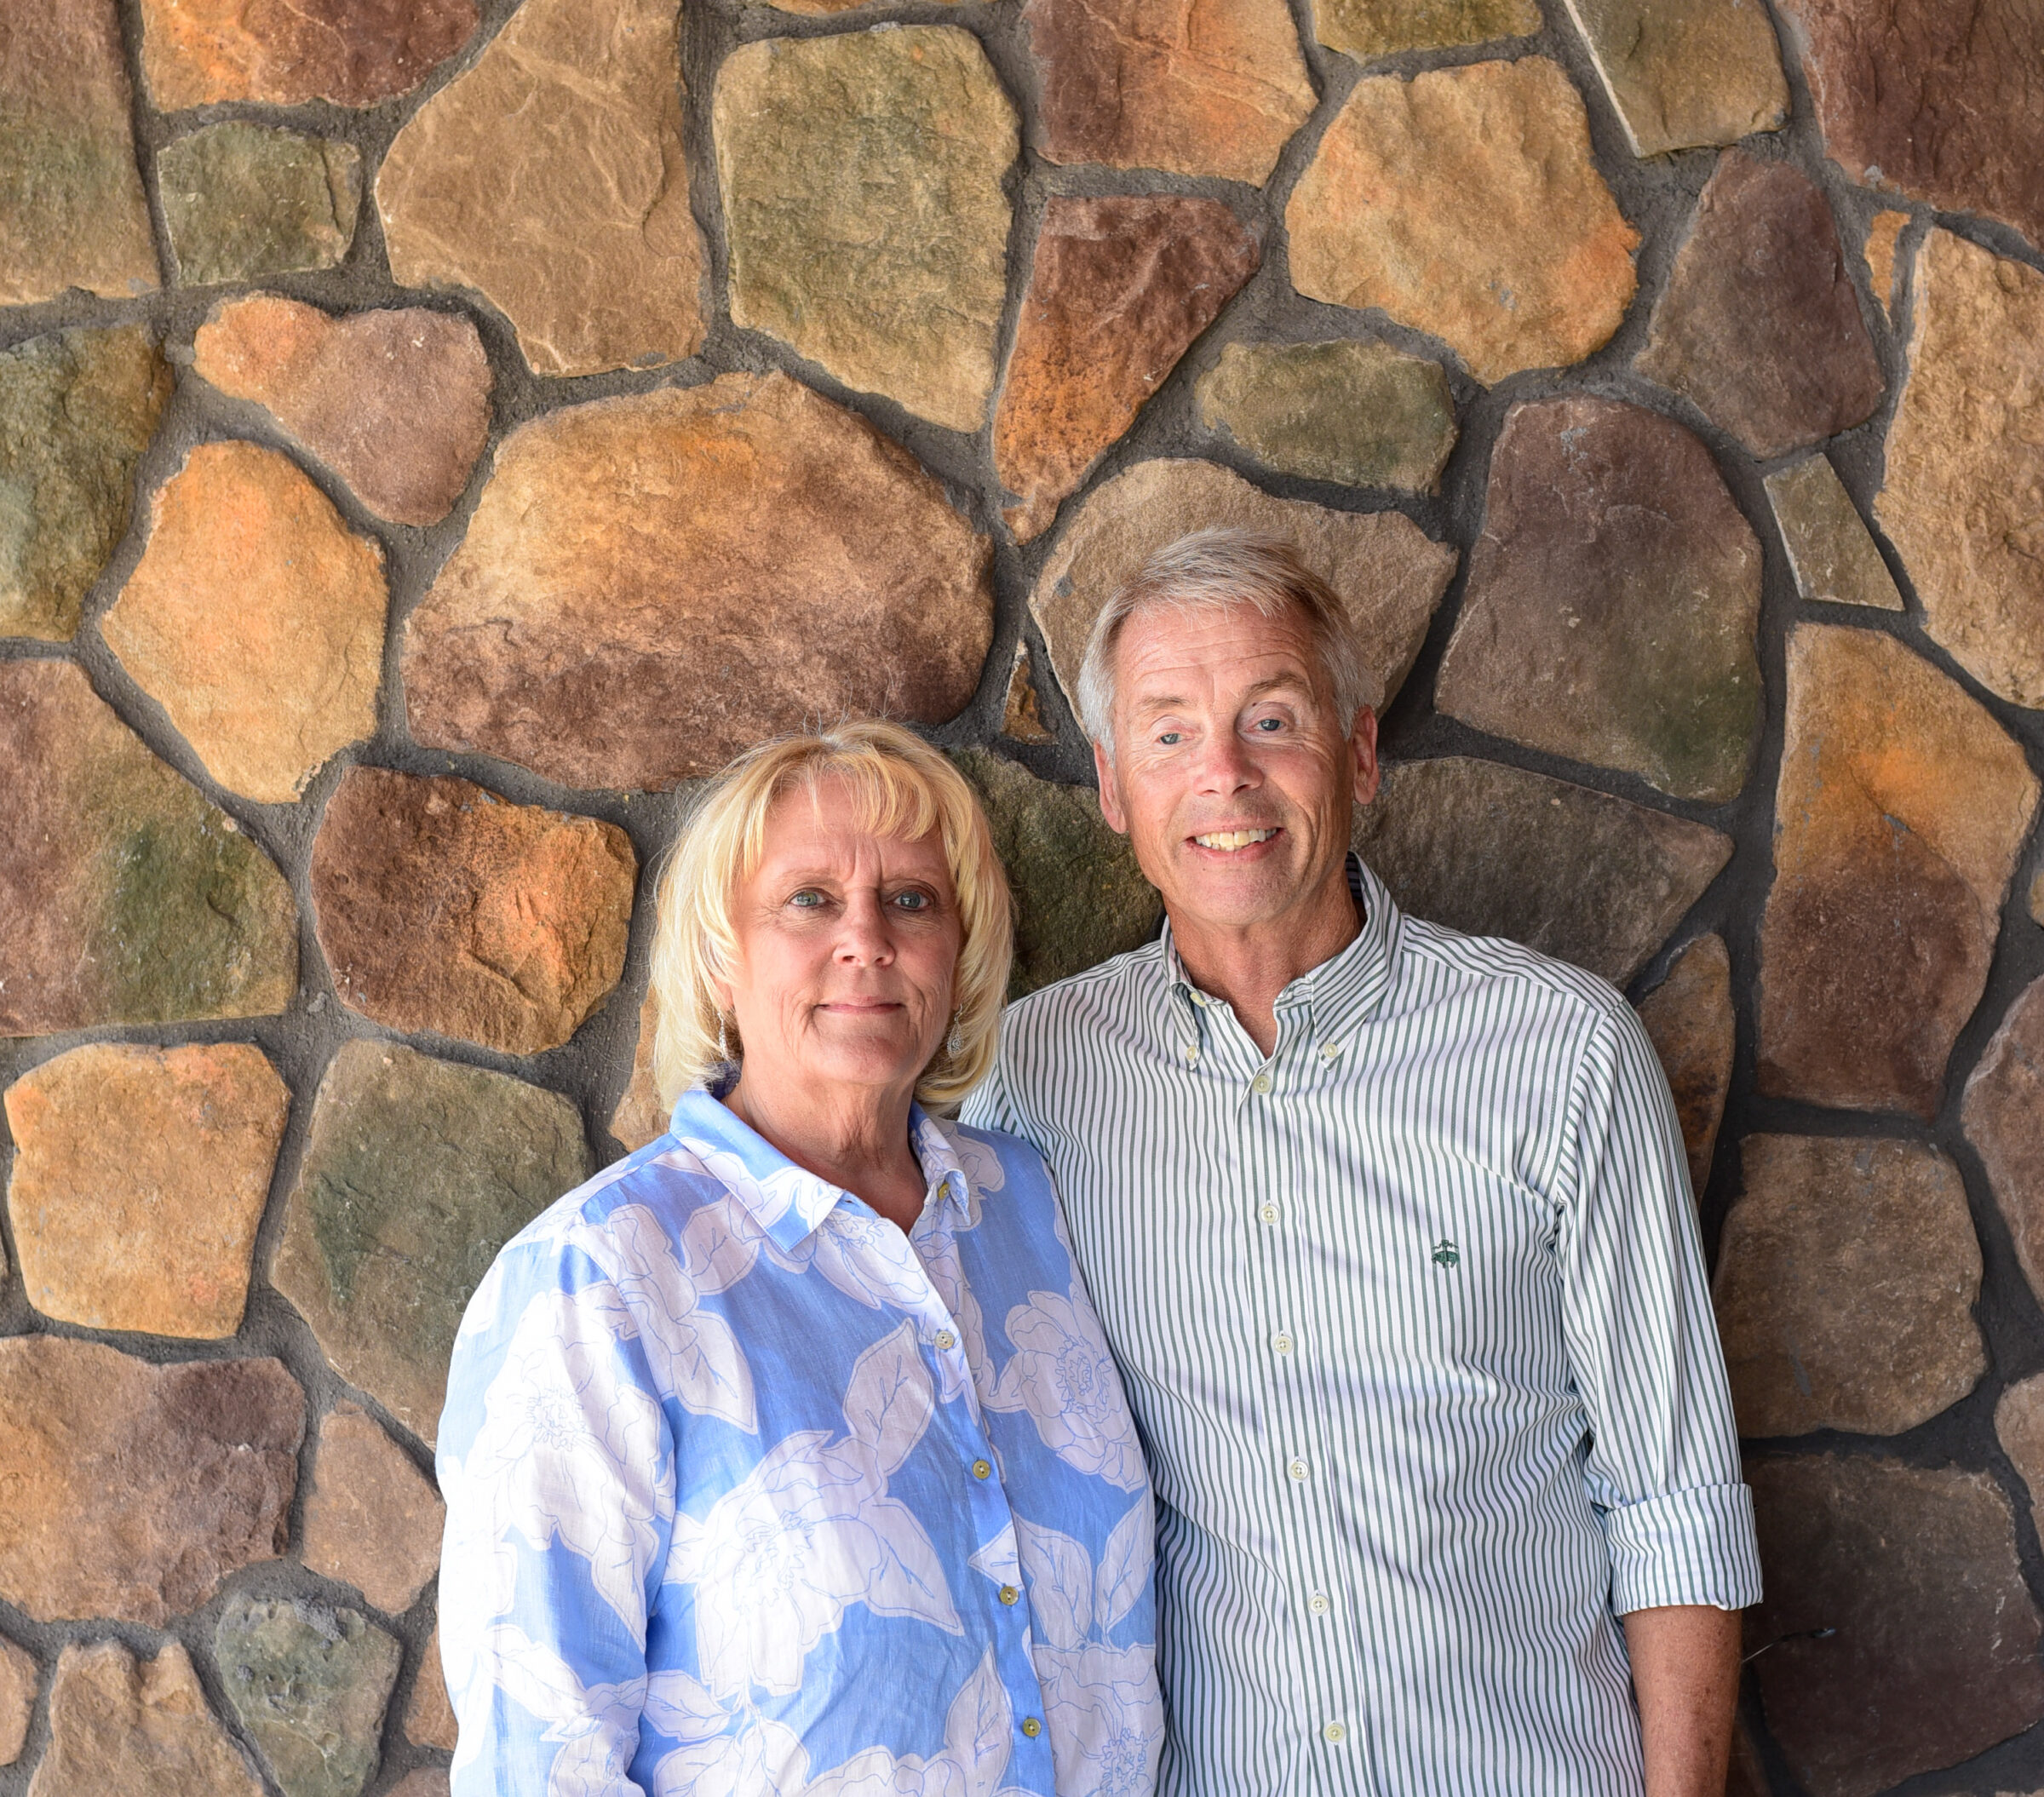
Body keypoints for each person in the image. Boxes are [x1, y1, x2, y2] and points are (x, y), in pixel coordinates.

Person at [962, 531, 1760, 1797]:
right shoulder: (1033, 1084)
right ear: (1115, 788)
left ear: (1360, 753)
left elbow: (1675, 1500)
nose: (1223, 774)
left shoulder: (1562, 1053)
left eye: (1270, 720)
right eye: (1170, 733)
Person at [437, 721, 1163, 1796]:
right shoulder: (599, 1282)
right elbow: (541, 1765)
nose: (865, 937)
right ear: (723, 956)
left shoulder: (1033, 1209)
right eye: (809, 900)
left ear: (959, 952)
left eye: (912, 899)